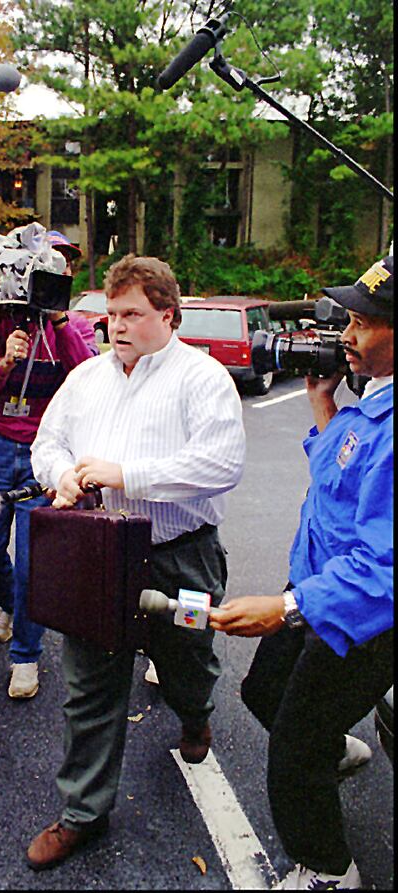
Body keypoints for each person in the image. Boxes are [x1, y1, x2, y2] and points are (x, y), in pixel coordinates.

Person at [26, 254, 246, 870]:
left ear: (168, 316)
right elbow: (49, 442)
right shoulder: (87, 378)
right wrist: (64, 474)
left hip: (182, 557)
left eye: (132, 314)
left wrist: (130, 475)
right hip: (99, 555)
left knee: (189, 658)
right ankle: (81, 812)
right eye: (111, 314)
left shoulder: (202, 378)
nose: (117, 326)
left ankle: (195, 715)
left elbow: (222, 465)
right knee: (89, 686)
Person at [209, 255, 394, 891]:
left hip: (359, 614)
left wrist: (286, 609)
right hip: (318, 586)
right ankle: (334, 748)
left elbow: (384, 569)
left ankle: (328, 871)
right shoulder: (373, 405)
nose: (347, 333)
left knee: (290, 752)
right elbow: (343, 484)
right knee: (263, 693)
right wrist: (321, 404)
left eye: (365, 323)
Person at [0, 230, 98, 699]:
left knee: (31, 566)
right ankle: (6, 602)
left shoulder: (75, 326)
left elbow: (88, 380)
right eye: (47, 264)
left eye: (63, 265)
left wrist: (59, 323)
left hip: (46, 453)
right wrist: (2, 363)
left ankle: (26, 656)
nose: (55, 271)